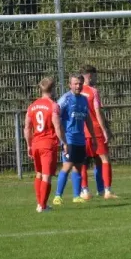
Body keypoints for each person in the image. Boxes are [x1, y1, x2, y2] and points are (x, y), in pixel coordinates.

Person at [52, 74, 96, 205]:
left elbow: (87, 119)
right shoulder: (65, 99)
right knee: (67, 165)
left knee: (78, 166)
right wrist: (62, 139)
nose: (78, 86)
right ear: (70, 85)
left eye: (80, 83)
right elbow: (56, 117)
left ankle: (76, 196)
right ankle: (57, 196)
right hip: (69, 138)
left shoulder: (84, 100)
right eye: (75, 84)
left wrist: (93, 136)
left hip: (80, 139)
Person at [23, 78, 66, 212]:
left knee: (39, 174)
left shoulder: (32, 106)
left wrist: (29, 145)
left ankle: (39, 203)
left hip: (36, 143)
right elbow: (57, 126)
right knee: (47, 175)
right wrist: (64, 142)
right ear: (53, 89)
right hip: (48, 144)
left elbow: (27, 128)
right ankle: (42, 206)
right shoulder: (53, 106)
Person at [79, 65, 118, 200]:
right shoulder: (93, 91)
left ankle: (84, 191)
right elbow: (97, 112)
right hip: (95, 130)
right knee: (104, 159)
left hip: (81, 132)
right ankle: (107, 190)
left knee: (83, 161)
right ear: (89, 76)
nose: (96, 78)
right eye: (95, 76)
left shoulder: (75, 92)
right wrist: (105, 129)